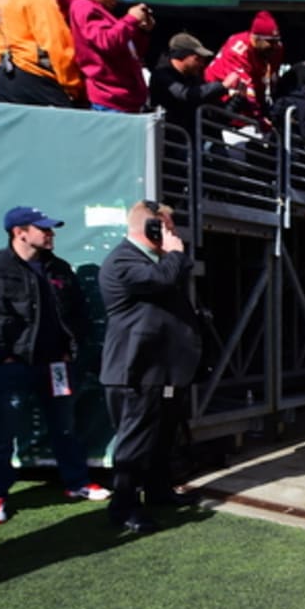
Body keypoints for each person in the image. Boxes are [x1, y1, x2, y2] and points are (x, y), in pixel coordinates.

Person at [0, 206, 109, 526]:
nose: (51, 233)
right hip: (12, 366)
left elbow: (78, 314)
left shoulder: (60, 269)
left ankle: (77, 483)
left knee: (65, 426)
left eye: (51, 228)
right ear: (19, 232)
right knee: (3, 431)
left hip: (57, 365)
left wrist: (70, 350)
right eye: (43, 228)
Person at [99, 201, 203, 534]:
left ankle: (159, 491)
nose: (174, 235)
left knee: (161, 437)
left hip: (161, 370)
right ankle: (124, 506)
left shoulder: (149, 262)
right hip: (135, 371)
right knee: (135, 443)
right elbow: (161, 280)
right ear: (153, 229)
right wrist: (175, 253)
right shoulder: (123, 260)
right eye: (168, 228)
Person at [56, 0, 154, 112]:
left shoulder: (99, 11)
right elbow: (106, 41)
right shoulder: (83, 7)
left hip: (123, 100)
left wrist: (142, 31)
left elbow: (128, 51)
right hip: (110, 100)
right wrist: (130, 19)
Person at [203, 11, 283, 124]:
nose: (275, 46)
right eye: (270, 42)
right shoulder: (238, 47)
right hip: (220, 92)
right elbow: (245, 88)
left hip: (250, 93)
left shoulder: (276, 49)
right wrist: (259, 118)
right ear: (255, 38)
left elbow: (268, 80)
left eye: (277, 41)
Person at [149, 32, 236, 132]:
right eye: (197, 59)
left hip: (194, 140)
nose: (202, 64)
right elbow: (186, 94)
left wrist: (238, 98)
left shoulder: (194, 79)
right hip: (168, 139)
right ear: (181, 56)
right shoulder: (162, 75)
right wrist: (222, 85)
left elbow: (216, 116)